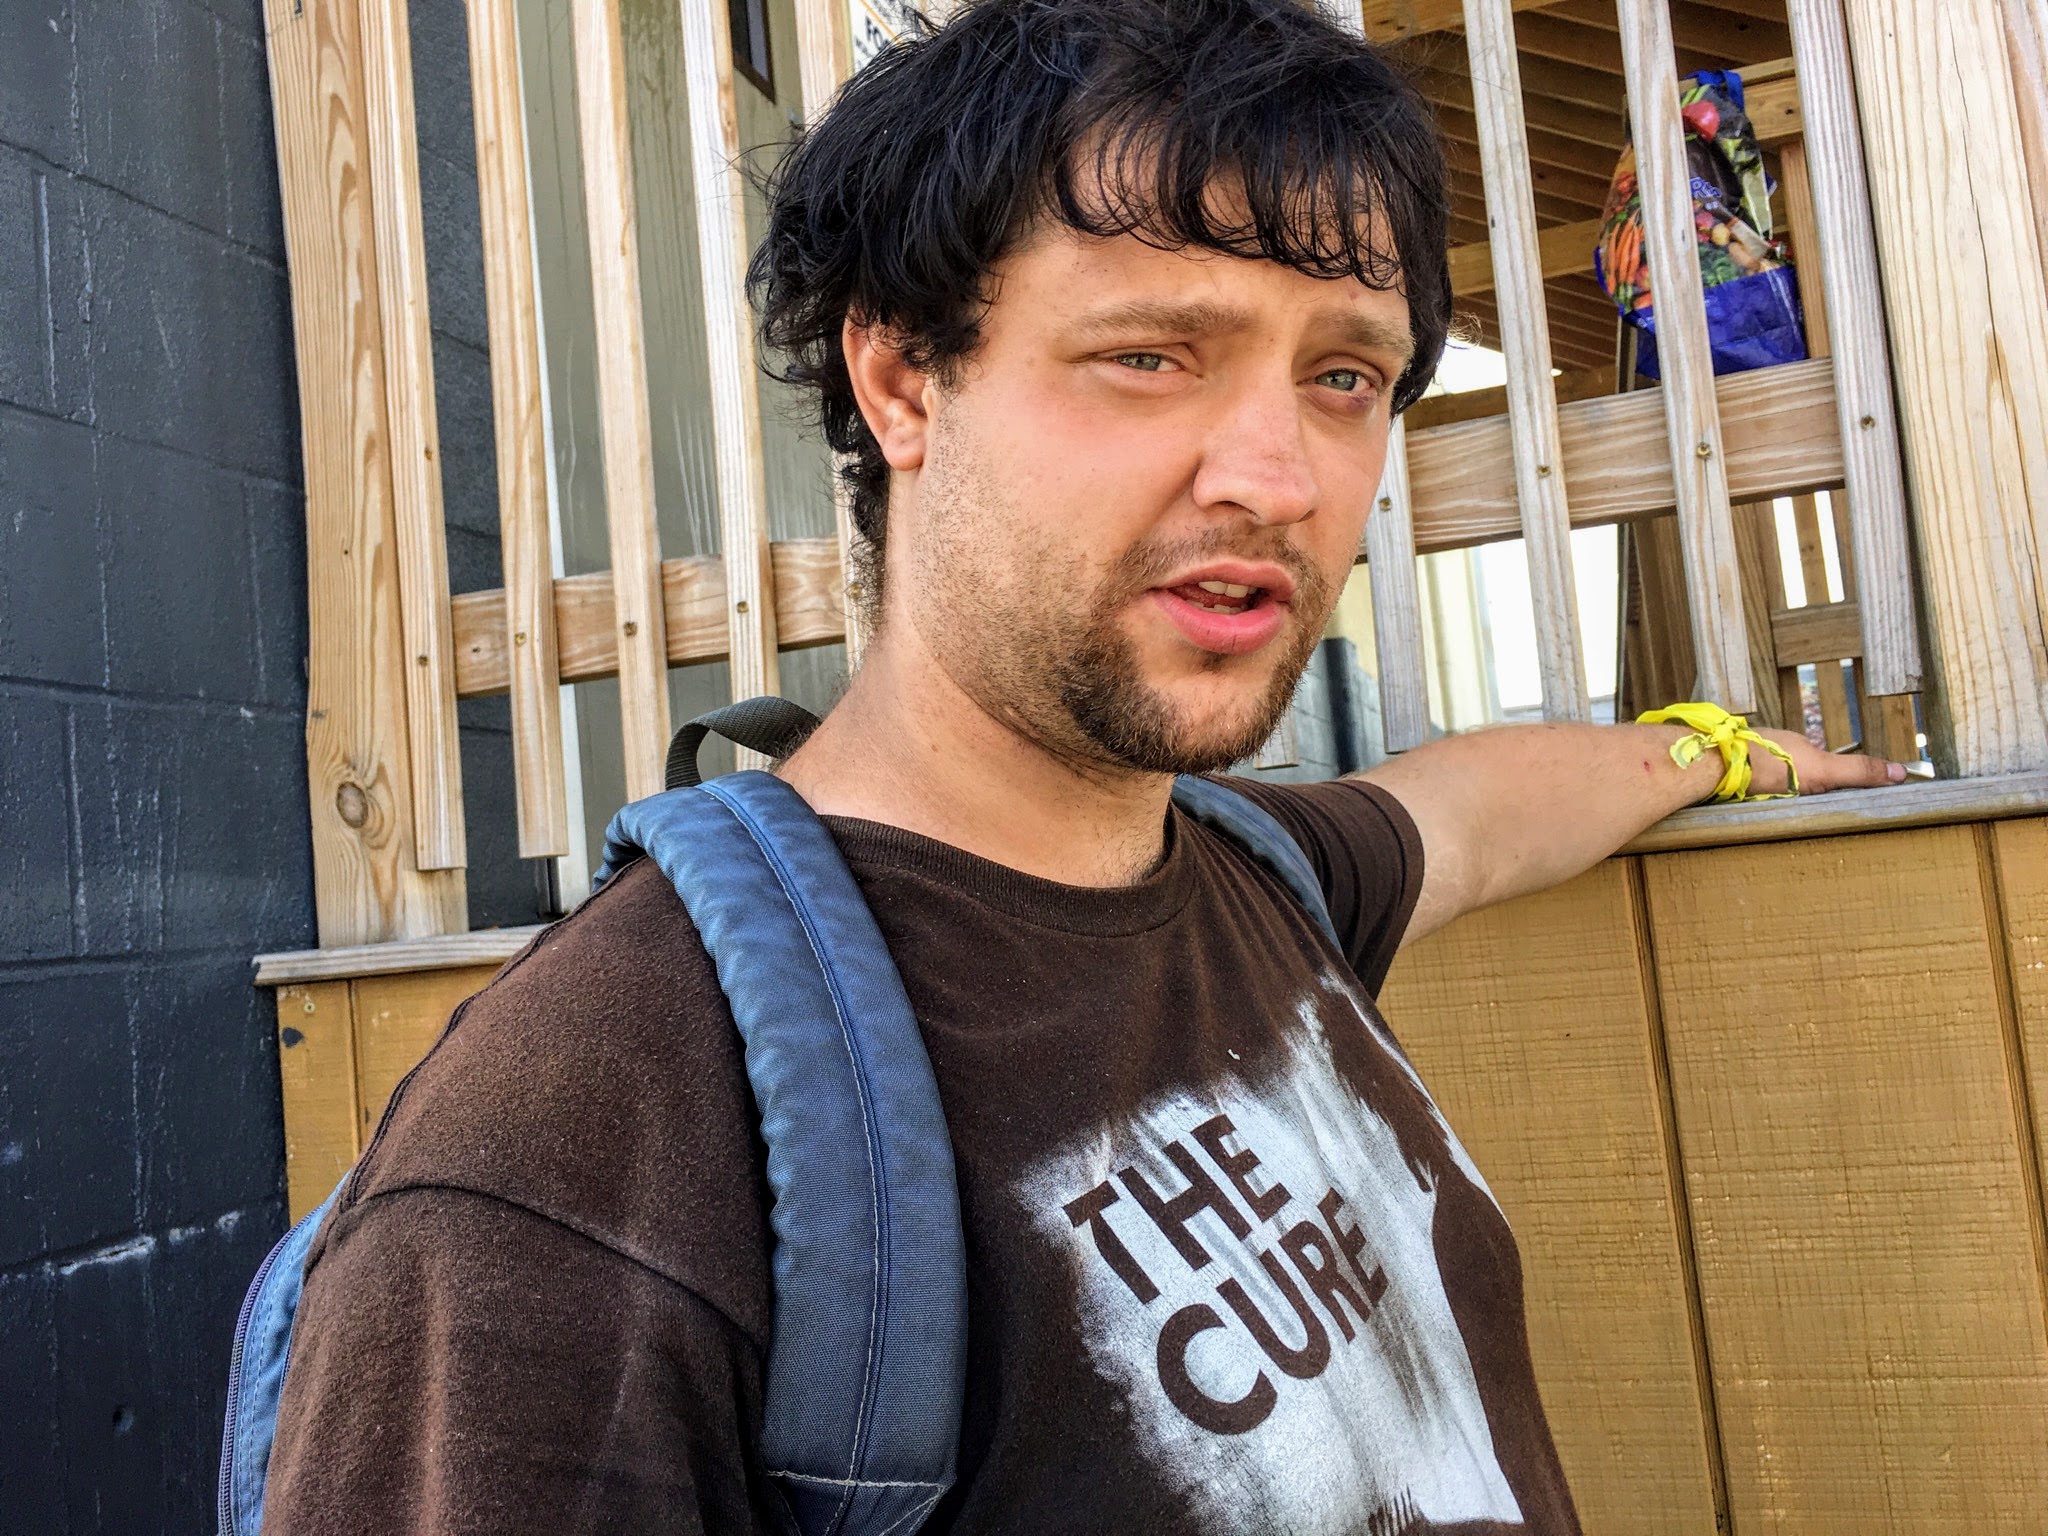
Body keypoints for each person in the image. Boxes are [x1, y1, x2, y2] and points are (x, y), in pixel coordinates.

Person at [261, 1, 1904, 1531]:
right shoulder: (577, 1152)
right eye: (1151, 356)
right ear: (902, 379)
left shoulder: (1256, 879)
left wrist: (1714, 751)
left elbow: (1468, 817)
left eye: (1342, 376)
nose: (1278, 477)